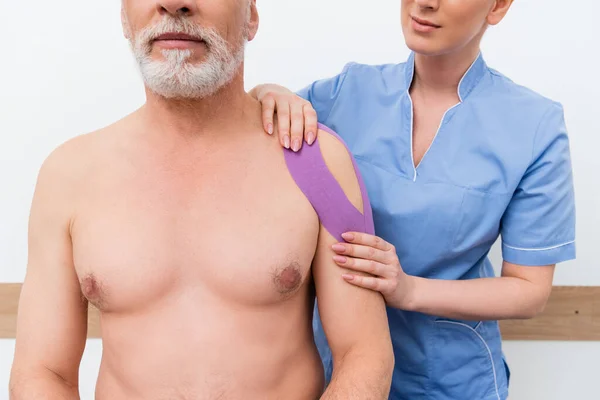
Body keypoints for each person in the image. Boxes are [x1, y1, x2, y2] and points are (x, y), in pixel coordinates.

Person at [9, 1, 394, 399]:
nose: (175, 3)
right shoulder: (69, 174)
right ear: (124, 17)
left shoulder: (317, 161)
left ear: (252, 16)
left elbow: (363, 354)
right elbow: (43, 372)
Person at [250, 0, 577, 399]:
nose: (425, 2)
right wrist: (269, 91)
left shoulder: (533, 126)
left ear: (497, 6)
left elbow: (529, 290)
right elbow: (252, 128)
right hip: (339, 374)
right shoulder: (347, 92)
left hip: (451, 381)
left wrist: (409, 289)